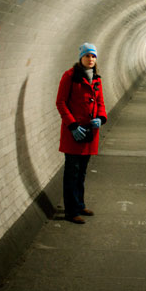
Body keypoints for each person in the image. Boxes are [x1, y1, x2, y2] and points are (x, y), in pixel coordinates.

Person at [55, 43, 107, 224]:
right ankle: (71, 211)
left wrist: (101, 118)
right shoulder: (69, 76)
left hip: (90, 133)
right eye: (87, 56)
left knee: (82, 172)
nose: (91, 59)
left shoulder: (97, 79)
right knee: (72, 172)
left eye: (93, 56)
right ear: (81, 58)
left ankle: (80, 204)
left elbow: (100, 102)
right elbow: (61, 103)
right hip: (75, 133)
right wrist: (72, 125)